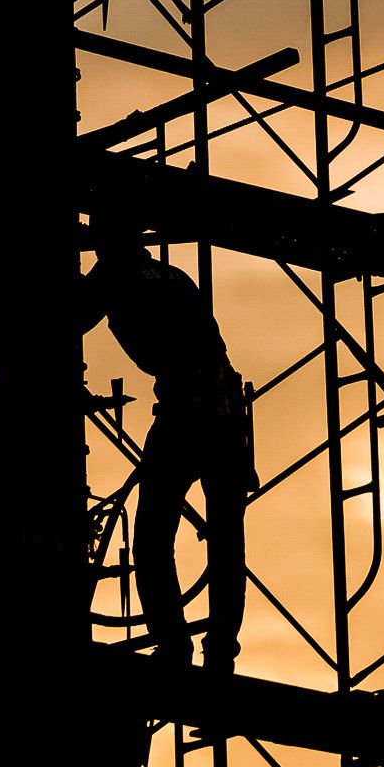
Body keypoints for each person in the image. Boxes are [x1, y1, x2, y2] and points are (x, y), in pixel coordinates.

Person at [80, 222, 252, 674]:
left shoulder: (114, 275)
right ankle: (220, 653)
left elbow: (69, 316)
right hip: (226, 410)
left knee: (153, 539)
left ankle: (175, 647)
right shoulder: (174, 276)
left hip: (187, 412)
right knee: (227, 539)